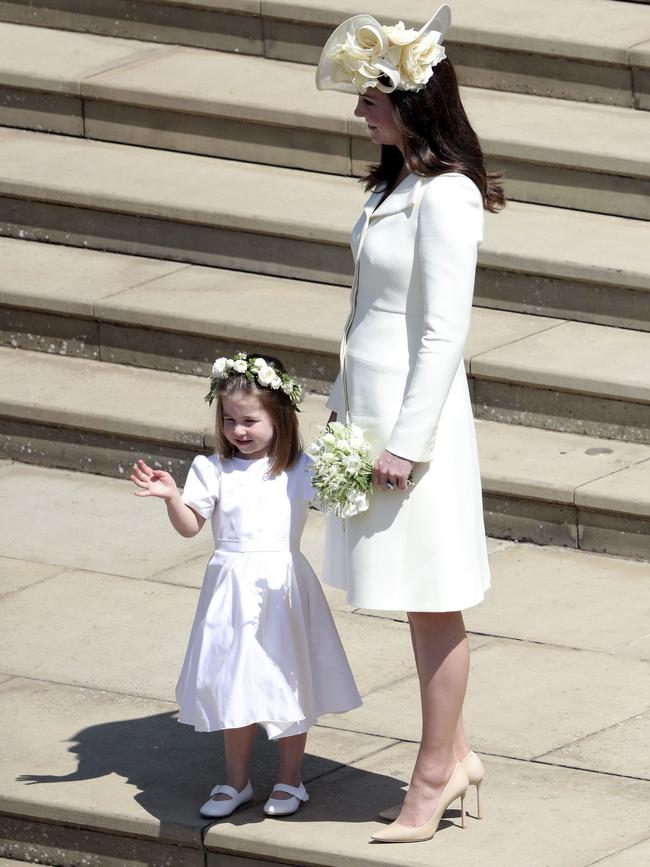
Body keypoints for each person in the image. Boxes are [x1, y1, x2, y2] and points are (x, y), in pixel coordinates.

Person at [315, 4, 505, 844]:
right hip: (372, 411)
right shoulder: (396, 181)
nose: (360, 108)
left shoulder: (449, 195)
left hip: (413, 430)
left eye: (371, 96)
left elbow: (442, 331)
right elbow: (369, 313)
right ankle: (456, 752)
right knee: (413, 599)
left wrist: (407, 442)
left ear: (412, 102)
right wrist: (342, 409)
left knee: (434, 602)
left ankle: (431, 777)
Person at [130, 352, 361, 820]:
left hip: (282, 590)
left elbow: (341, 502)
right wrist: (172, 497)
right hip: (230, 594)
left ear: (278, 417)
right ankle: (235, 782)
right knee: (234, 683)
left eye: (250, 420)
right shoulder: (212, 469)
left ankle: (290, 779)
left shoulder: (299, 469)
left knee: (287, 680)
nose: (239, 430)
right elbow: (191, 526)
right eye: (230, 420)